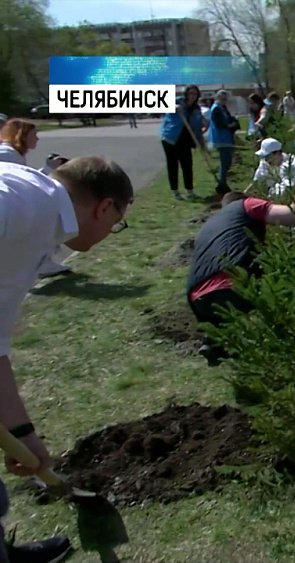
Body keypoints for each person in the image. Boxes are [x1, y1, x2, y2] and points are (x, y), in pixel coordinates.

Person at [1, 157, 133, 562]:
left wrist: (22, 432)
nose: (111, 232)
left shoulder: (39, 226)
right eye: (116, 224)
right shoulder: (27, 202)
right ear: (105, 207)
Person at [187, 161, 295, 365]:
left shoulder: (211, 224)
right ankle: (289, 347)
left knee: (221, 317)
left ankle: (212, 343)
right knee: (283, 291)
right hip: (229, 286)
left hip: (197, 297)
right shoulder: (246, 206)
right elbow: (294, 214)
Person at [1, 118, 75, 277]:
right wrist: (48, 169)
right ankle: (42, 263)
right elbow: (25, 184)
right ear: (22, 135)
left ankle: (43, 262)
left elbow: (25, 180)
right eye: (34, 134)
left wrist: (48, 168)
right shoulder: (7, 155)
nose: (37, 138)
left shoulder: (12, 153)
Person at [160, 84, 206, 201]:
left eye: (195, 94)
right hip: (170, 138)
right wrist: (174, 106)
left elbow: (198, 127)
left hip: (186, 140)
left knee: (187, 165)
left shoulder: (196, 109)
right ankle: (175, 192)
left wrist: (201, 141)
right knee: (173, 165)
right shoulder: (178, 101)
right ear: (186, 94)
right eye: (190, 93)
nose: (192, 96)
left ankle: (190, 192)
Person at [207, 89, 240, 196]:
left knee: (228, 162)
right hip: (221, 138)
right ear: (217, 98)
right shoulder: (216, 109)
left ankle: (223, 182)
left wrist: (234, 122)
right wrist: (231, 125)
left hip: (227, 138)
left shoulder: (223, 108)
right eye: (222, 98)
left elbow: (229, 119)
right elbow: (219, 124)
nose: (224, 100)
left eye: (225, 98)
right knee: (225, 162)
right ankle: (222, 184)